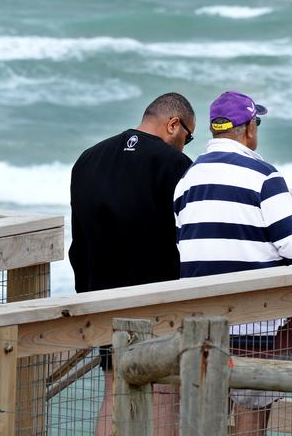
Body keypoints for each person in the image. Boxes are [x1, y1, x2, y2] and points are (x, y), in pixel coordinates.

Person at [173, 91, 292, 435]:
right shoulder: (264, 176)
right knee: (252, 417)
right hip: (256, 325)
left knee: (206, 415)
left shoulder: (187, 180)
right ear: (249, 128)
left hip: (201, 323)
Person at [69, 92, 196, 435]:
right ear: (173, 125)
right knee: (167, 391)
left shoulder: (87, 159)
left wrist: (86, 297)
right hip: (160, 302)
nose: (185, 146)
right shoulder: (175, 165)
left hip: (103, 301)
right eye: (187, 136)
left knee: (115, 388)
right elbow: (188, 238)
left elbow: (78, 244)